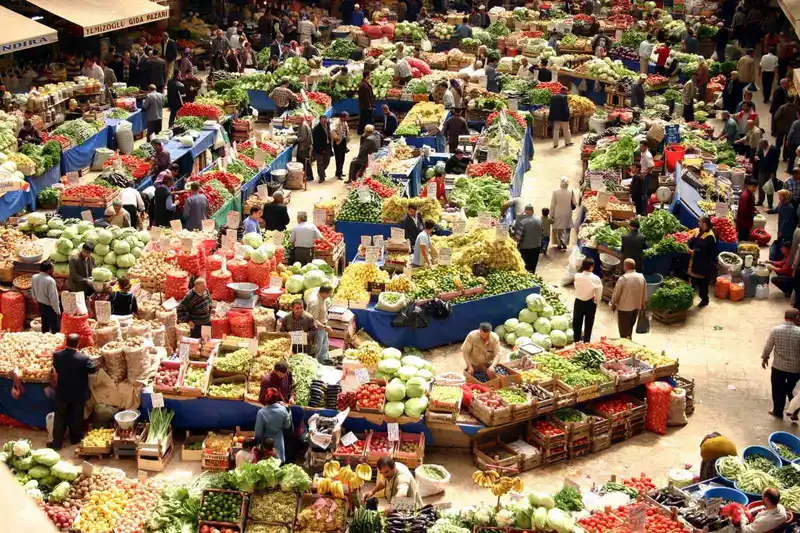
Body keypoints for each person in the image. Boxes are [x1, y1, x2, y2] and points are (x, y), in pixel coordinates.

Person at [48, 334, 97, 449]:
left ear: (66, 342)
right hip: (77, 394)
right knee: (76, 417)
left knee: (60, 418)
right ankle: (75, 439)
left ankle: (57, 443)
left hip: (62, 392)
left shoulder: (57, 355)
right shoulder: (83, 359)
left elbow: (55, 366)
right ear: (78, 343)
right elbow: (92, 369)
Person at [762, 308, 800, 418]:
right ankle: (794, 411)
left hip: (778, 367)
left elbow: (768, 346)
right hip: (794, 369)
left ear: (785, 318)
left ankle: (777, 411)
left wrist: (765, 358)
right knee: (791, 390)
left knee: (777, 390)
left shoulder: (776, 330)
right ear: (797, 319)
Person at [611, 258, 647, 339]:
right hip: (636, 307)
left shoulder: (623, 279)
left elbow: (616, 294)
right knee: (630, 327)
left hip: (624, 309)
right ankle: (629, 340)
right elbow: (645, 292)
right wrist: (643, 303)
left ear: (625, 267)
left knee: (623, 330)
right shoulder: (641, 277)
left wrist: (613, 303)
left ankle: (625, 346)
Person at [255, 388, 292, 462]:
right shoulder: (283, 410)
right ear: (277, 398)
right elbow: (287, 426)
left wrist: (256, 443)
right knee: (278, 462)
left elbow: (258, 433)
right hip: (278, 440)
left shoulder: (262, 412)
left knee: (266, 465)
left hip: (266, 443)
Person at [688, 216, 716, 307]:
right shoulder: (700, 231)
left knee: (702, 282)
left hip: (703, 263)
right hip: (695, 262)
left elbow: (704, 250)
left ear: (704, 224)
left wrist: (693, 251)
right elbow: (694, 241)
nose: (698, 223)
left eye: (700, 222)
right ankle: (691, 296)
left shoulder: (710, 236)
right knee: (693, 279)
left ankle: (704, 299)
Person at [31, 261, 60, 334]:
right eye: (52, 268)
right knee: (55, 327)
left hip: (40, 305)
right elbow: (53, 297)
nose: (53, 269)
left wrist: (35, 300)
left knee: (45, 325)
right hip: (49, 307)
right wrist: (57, 310)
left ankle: (44, 338)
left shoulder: (34, 277)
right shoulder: (50, 280)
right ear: (49, 270)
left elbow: (32, 290)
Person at [307, 284, 333, 363]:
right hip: (318, 328)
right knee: (317, 347)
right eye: (329, 293)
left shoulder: (318, 293)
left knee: (324, 346)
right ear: (324, 293)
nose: (330, 295)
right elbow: (313, 320)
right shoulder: (316, 303)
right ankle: (315, 363)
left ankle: (323, 361)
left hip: (323, 325)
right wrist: (325, 327)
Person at [514, 204, 543, 273]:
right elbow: (542, 232)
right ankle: (533, 275)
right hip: (537, 246)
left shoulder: (523, 222)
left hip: (526, 247)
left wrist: (515, 245)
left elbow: (518, 237)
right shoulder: (539, 220)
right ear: (533, 211)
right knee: (533, 264)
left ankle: (527, 277)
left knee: (526, 265)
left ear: (525, 211)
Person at [550, 177, 574, 250]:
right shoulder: (571, 192)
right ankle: (564, 242)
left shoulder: (555, 192)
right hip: (567, 212)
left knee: (557, 229)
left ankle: (559, 244)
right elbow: (575, 202)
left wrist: (551, 214)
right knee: (565, 229)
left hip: (558, 213)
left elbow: (552, 204)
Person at [756, 139, 780, 209]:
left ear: (765, 145)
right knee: (761, 186)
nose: (760, 147)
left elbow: (775, 163)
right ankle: (760, 201)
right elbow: (758, 154)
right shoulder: (761, 148)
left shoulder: (773, 150)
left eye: (761, 146)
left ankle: (770, 204)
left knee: (769, 187)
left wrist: (773, 172)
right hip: (761, 170)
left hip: (770, 172)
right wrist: (756, 157)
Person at [772, 97, 797, 162]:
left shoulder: (783, 107)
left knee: (778, 143)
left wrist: (774, 127)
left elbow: (776, 117)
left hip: (781, 128)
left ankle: (776, 155)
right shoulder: (797, 108)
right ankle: (785, 157)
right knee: (787, 143)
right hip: (790, 129)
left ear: (787, 100)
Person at [312, 115, 332, 183]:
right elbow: (315, 140)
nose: (324, 121)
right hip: (319, 148)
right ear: (320, 120)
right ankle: (321, 177)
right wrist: (320, 149)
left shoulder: (328, 126)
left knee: (327, 161)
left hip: (327, 146)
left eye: (325, 119)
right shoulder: (317, 128)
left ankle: (321, 172)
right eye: (322, 120)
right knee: (320, 163)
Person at [296, 117, 314, 182]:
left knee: (305, 161)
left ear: (300, 119)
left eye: (296, 118)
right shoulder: (304, 124)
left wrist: (296, 139)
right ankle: (306, 175)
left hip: (304, 146)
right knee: (305, 161)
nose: (295, 120)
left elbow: (303, 137)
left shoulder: (303, 126)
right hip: (306, 146)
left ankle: (309, 176)